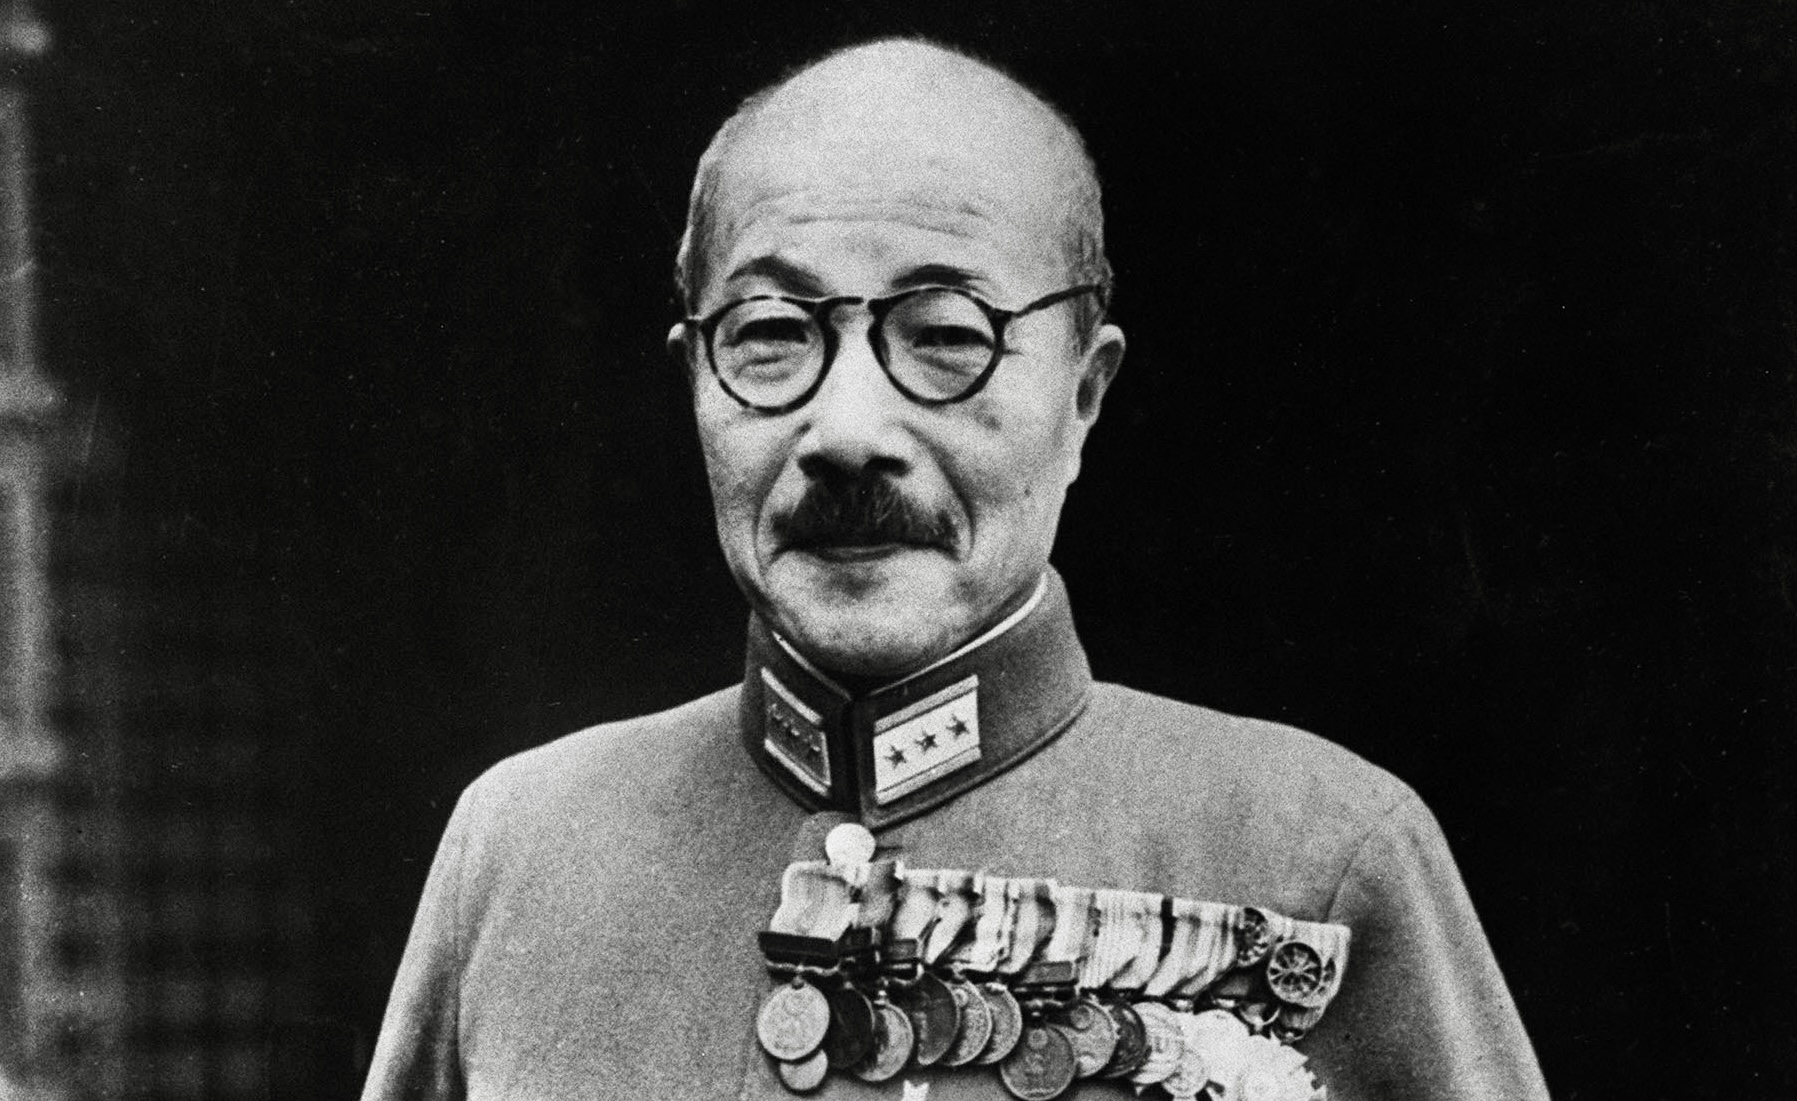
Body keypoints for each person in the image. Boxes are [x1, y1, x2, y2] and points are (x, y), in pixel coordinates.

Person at [362, 37, 1549, 1101]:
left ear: (1084, 394)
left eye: (945, 337)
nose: (846, 433)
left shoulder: (1320, 860)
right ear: (693, 382)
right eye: (770, 335)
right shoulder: (521, 850)